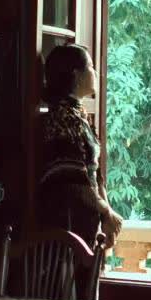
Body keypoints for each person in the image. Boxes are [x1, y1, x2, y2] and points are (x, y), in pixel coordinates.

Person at [38, 44, 123, 249]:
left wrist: (106, 213)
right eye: (91, 66)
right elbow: (74, 179)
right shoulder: (62, 117)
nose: (96, 73)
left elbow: (95, 173)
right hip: (66, 222)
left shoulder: (78, 114)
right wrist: (106, 212)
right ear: (77, 75)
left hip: (86, 219)